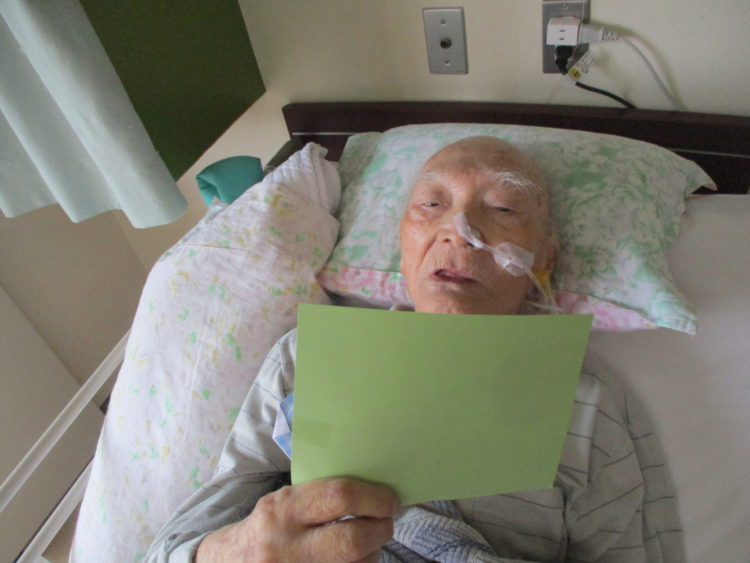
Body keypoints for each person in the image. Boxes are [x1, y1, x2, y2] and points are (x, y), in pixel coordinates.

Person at [146, 137, 683, 562]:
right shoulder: (304, 359)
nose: (460, 230)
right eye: (431, 204)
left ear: (544, 258)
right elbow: (174, 546)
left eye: (502, 208)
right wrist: (234, 553)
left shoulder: (586, 402)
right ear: (403, 245)